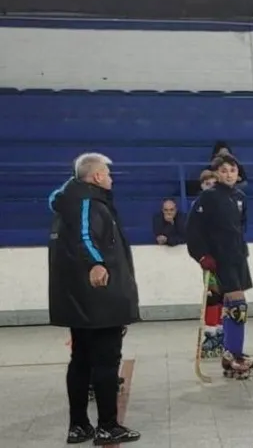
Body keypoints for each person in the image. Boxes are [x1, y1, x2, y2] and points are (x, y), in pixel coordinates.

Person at [48, 152, 141, 445]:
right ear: (97, 176)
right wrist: (97, 263)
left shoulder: (69, 203)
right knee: (105, 361)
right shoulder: (88, 202)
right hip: (98, 299)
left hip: (77, 298)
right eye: (108, 174)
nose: (111, 179)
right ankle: (107, 425)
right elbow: (86, 238)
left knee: (81, 361)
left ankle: (79, 426)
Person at [185, 154, 253, 378]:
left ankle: (230, 353)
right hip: (219, 258)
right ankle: (234, 354)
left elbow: (240, 225)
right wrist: (201, 255)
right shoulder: (208, 197)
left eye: (233, 170)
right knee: (238, 306)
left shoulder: (240, 196)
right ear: (216, 173)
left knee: (232, 306)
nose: (229, 174)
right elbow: (193, 229)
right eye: (224, 170)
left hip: (237, 257)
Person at [192, 170, 225, 359]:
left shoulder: (225, 204)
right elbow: (195, 233)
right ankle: (211, 333)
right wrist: (202, 255)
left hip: (226, 258)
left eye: (213, 183)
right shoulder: (198, 206)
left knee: (224, 297)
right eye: (206, 184)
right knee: (212, 294)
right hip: (209, 258)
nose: (210, 187)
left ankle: (221, 332)